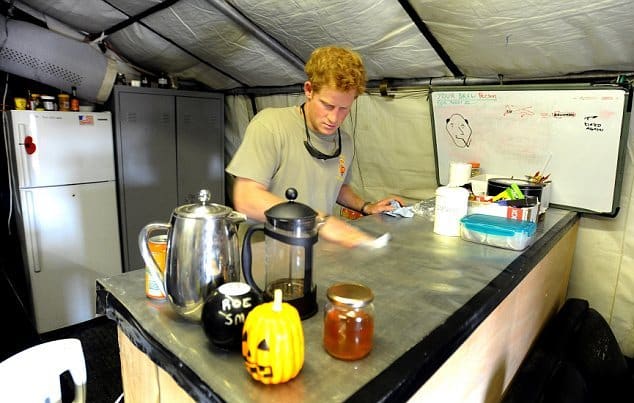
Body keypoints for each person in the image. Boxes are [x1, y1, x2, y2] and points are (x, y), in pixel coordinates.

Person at [226, 45, 403, 248]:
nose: (334, 118)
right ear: (309, 90)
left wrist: (366, 207)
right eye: (327, 105)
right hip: (266, 254)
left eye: (344, 109)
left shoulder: (344, 141)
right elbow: (246, 197)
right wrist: (320, 221)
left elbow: (337, 186)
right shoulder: (271, 125)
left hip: (315, 253)